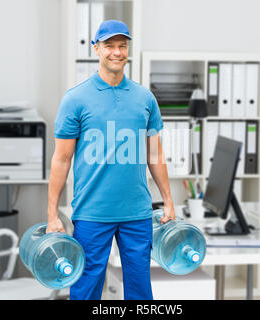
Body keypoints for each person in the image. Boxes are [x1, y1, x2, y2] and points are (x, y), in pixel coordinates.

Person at [47, 19, 175, 300]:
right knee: (86, 289)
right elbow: (61, 159)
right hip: (92, 212)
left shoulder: (144, 98)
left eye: (122, 46)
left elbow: (155, 153)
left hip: (137, 213)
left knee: (140, 290)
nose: (116, 52)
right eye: (109, 46)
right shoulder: (75, 99)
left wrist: (167, 200)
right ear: (96, 49)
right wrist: (52, 213)